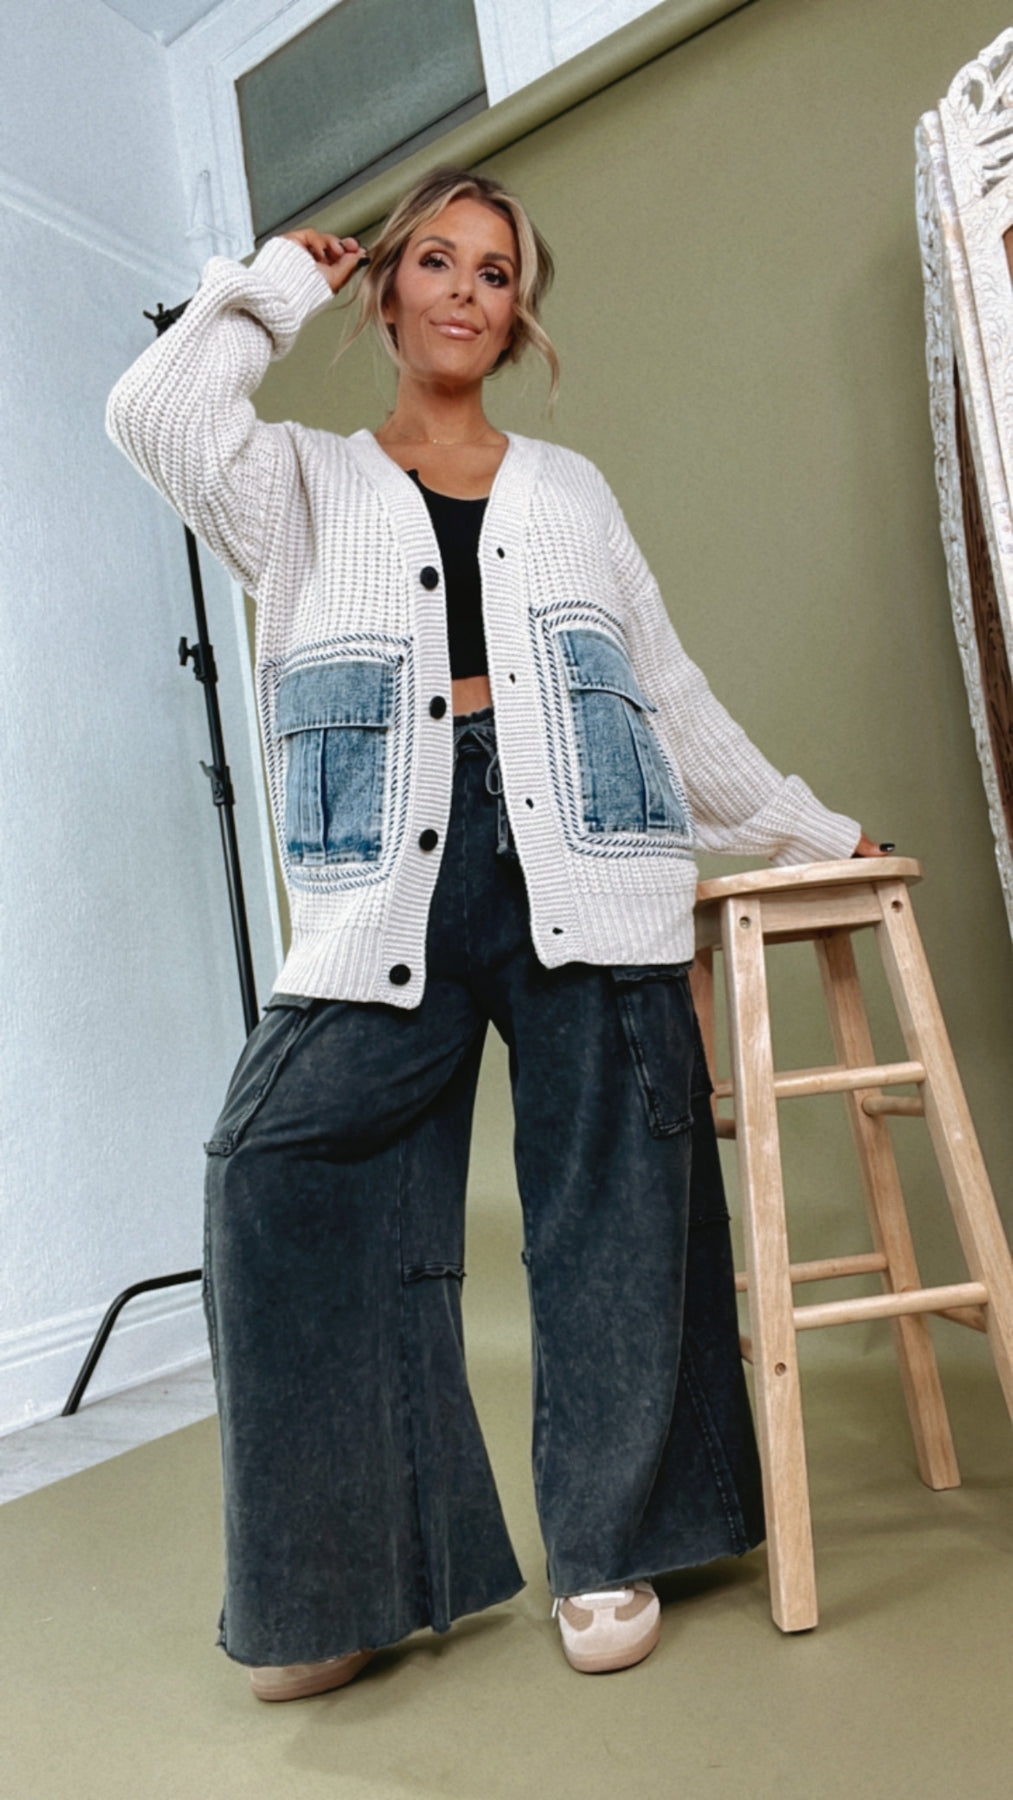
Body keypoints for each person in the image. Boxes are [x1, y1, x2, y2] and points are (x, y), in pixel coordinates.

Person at [107, 165, 886, 1701]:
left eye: (496, 271)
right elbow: (157, 414)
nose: (466, 290)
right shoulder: (298, 483)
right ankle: (342, 1586)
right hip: (388, 882)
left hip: (591, 861)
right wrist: (274, 282)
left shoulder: (570, 492)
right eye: (437, 262)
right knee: (276, 1167)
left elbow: (664, 693)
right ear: (387, 291)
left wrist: (806, 825)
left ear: (516, 315)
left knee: (615, 1206)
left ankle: (612, 1543)